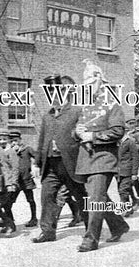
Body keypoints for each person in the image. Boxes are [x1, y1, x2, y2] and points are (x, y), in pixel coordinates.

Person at [74, 63, 130, 252]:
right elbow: (77, 131)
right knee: (98, 197)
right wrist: (78, 132)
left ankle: (90, 240)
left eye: (91, 81)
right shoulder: (85, 105)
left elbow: (118, 131)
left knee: (95, 199)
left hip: (104, 158)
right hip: (86, 159)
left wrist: (93, 137)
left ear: (101, 80)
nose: (88, 85)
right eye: (85, 82)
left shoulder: (112, 103)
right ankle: (118, 225)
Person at [33, 74, 88, 243]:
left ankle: (92, 229)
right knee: (47, 196)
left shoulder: (77, 112)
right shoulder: (47, 116)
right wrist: (36, 163)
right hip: (50, 164)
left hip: (71, 164)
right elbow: (42, 141)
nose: (54, 96)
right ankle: (48, 232)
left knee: (81, 197)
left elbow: (83, 137)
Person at [0, 128, 19, 235]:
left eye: (4, 139)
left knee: (4, 205)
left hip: (8, 183)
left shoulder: (10, 152)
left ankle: (10, 225)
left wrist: (13, 183)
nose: (2, 141)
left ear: (9, 140)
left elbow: (15, 168)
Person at [9, 130, 38, 227]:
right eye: (12, 141)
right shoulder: (10, 152)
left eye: (16, 140)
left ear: (20, 140)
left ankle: (34, 218)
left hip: (26, 179)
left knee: (30, 199)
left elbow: (37, 157)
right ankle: (9, 219)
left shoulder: (27, 149)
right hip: (16, 181)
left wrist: (34, 167)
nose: (14, 143)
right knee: (10, 200)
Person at [117, 124, 139, 217]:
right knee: (124, 189)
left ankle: (125, 208)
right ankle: (131, 204)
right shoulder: (117, 142)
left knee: (123, 190)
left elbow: (135, 158)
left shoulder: (130, 142)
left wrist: (134, 173)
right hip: (118, 171)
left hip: (128, 170)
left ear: (125, 131)